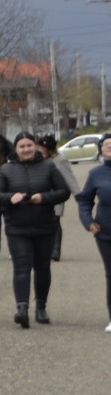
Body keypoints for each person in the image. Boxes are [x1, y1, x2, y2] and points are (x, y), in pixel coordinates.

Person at [0, 133, 71, 328]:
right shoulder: (7, 170)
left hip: (45, 226)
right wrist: (11, 197)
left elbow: (64, 191)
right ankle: (22, 309)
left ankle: (41, 307)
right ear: (16, 149)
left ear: (35, 146)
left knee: (42, 268)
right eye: (21, 146)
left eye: (29, 145)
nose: (26, 149)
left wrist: (43, 198)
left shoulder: (48, 166)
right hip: (17, 227)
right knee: (21, 268)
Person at [75, 135, 111, 332]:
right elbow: (85, 200)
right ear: (101, 149)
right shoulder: (96, 174)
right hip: (106, 232)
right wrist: (88, 222)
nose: (110, 146)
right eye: (107, 144)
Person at [39, 135, 80, 262]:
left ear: (47, 148)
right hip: (42, 196)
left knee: (55, 221)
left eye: (41, 146)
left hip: (56, 195)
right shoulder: (38, 159)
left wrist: (80, 197)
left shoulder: (59, 159)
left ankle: (56, 250)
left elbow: (69, 178)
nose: (38, 148)